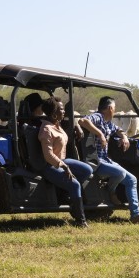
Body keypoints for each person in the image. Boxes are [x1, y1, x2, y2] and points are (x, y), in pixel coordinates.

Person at [78, 96, 139, 224]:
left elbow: (118, 130)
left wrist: (124, 137)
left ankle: (135, 215)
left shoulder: (108, 123)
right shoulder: (98, 117)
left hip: (106, 160)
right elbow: (83, 121)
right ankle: (111, 192)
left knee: (132, 179)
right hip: (96, 161)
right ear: (110, 108)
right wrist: (99, 134)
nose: (115, 111)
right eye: (114, 108)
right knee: (120, 173)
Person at [38, 97, 94, 227]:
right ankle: (81, 220)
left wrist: (77, 126)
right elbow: (48, 156)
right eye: (61, 109)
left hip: (62, 160)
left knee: (87, 170)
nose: (64, 112)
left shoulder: (57, 124)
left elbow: (71, 123)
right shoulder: (46, 129)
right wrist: (63, 166)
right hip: (50, 165)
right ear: (53, 113)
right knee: (75, 185)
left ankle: (65, 192)